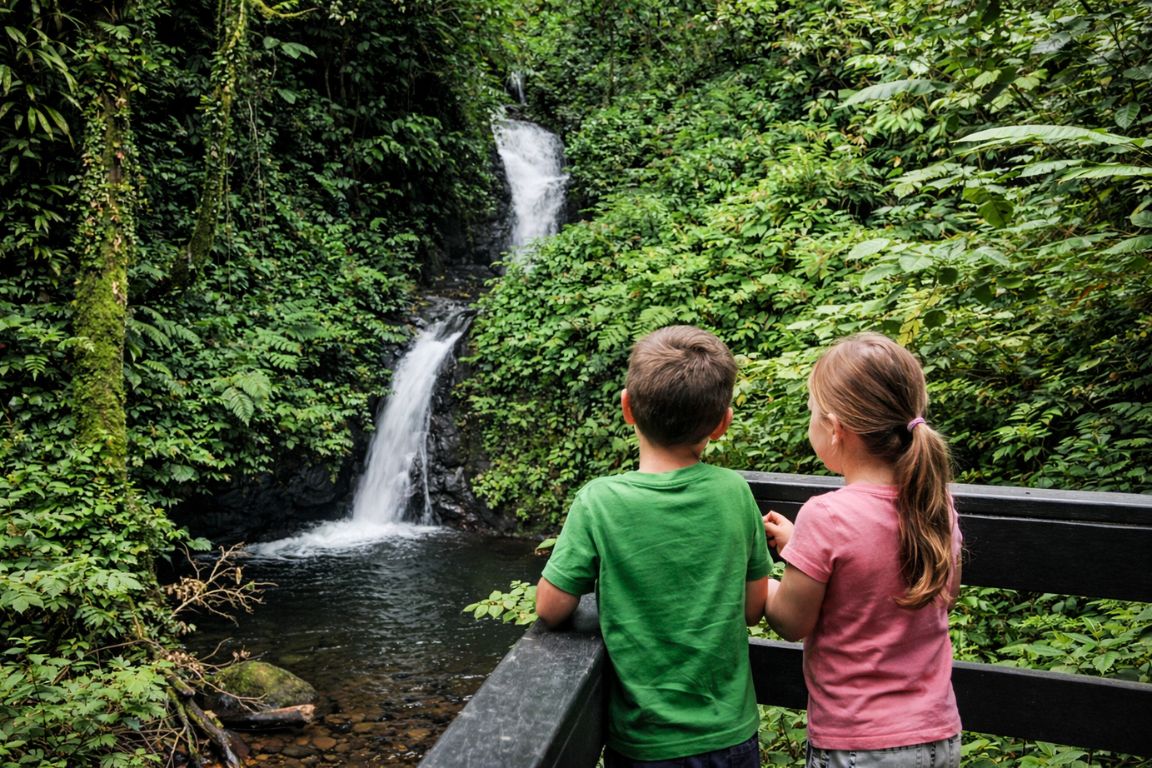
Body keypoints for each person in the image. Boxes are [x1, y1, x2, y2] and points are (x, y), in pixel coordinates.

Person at [536, 325, 771, 768]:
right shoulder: (734, 493)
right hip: (732, 737)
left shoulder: (599, 501)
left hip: (645, 744)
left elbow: (550, 608)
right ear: (723, 422)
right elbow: (754, 608)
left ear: (627, 408)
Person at [763, 332, 963, 768]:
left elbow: (790, 622)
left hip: (859, 743)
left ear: (835, 429)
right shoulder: (935, 502)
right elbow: (938, 590)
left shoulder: (827, 515)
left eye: (813, 414)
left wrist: (758, 575)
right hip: (938, 735)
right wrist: (804, 550)